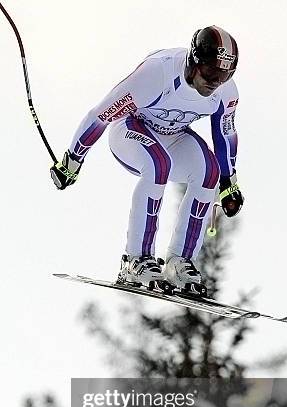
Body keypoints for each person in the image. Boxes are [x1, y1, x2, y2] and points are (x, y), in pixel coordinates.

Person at [50, 25, 244, 293]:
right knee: (158, 164)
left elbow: (225, 135)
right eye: (211, 71)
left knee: (209, 171)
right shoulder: (157, 74)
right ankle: (136, 259)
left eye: (225, 74)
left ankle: (180, 261)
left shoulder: (225, 92)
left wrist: (228, 183)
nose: (215, 82)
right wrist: (72, 161)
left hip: (173, 135)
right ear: (195, 60)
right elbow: (100, 115)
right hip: (130, 129)